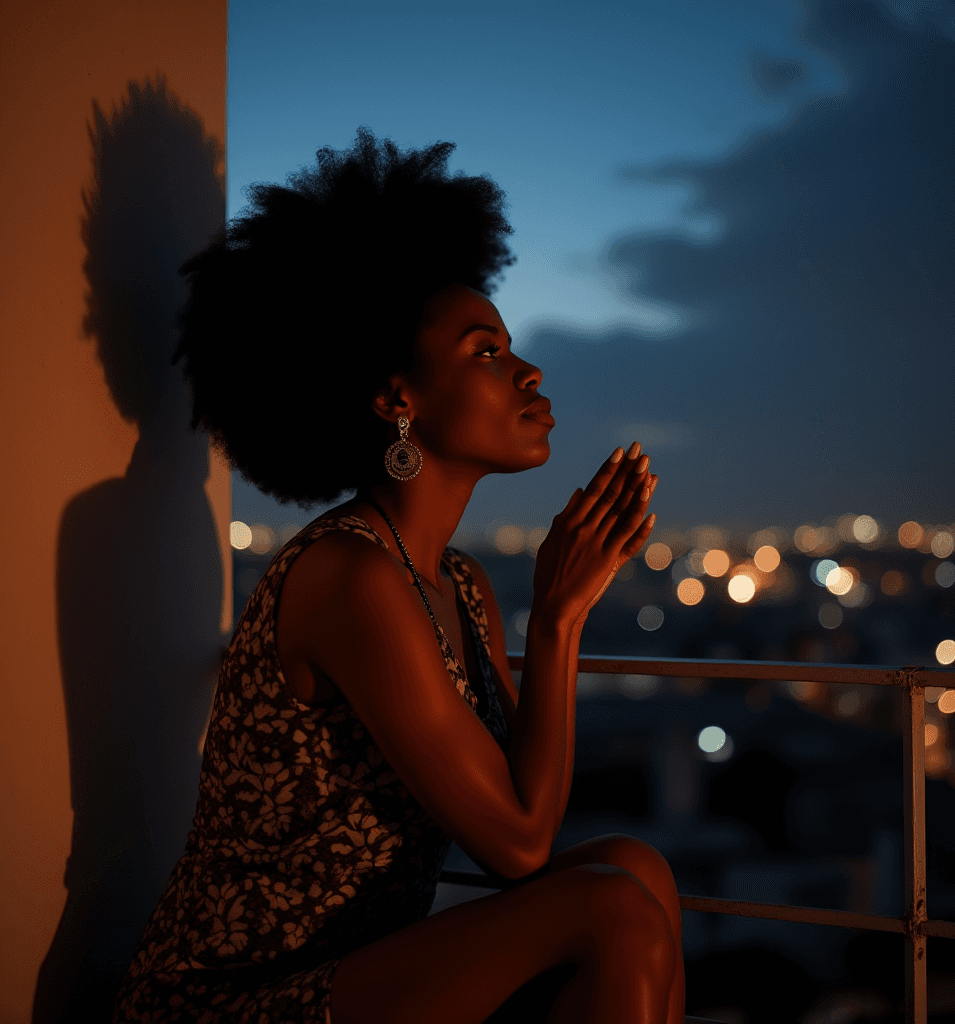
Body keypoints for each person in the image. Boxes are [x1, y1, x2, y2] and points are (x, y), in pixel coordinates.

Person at [113, 128, 683, 1024]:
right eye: (484, 352)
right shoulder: (349, 576)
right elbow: (522, 846)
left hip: (363, 969)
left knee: (639, 869)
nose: (528, 369)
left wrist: (548, 611)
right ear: (395, 401)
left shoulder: (457, 585)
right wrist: (562, 618)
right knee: (610, 906)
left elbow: (511, 821)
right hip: (231, 1001)